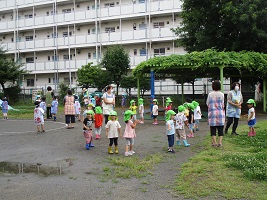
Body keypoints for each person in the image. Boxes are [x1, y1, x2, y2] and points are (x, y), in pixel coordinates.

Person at [206, 80, 225, 147]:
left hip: (212, 113)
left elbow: (207, 103)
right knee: (220, 128)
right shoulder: (222, 94)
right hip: (220, 113)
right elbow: (223, 104)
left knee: (213, 128)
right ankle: (220, 142)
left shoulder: (210, 94)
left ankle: (214, 142)